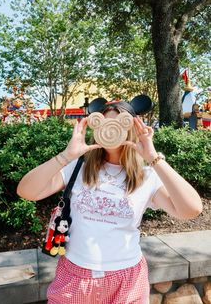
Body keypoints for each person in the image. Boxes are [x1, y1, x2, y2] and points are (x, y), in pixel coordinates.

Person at [17, 104, 202, 304]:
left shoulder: (146, 176)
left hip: (127, 279)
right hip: (75, 277)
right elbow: (27, 191)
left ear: (130, 128)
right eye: (103, 122)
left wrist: (153, 158)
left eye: (118, 122)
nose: (109, 129)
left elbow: (191, 210)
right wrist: (66, 156)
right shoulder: (78, 168)